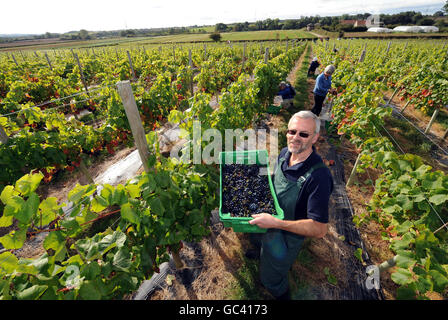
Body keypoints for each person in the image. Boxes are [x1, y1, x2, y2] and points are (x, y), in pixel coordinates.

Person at [248, 111, 334, 300]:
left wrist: (276, 224)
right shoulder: (285, 153)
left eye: (303, 134)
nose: (295, 137)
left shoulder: (318, 177)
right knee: (258, 239)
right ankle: (261, 252)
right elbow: (277, 179)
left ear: (315, 138)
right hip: (269, 217)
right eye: (292, 131)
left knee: (271, 276)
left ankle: (280, 292)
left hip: (287, 235)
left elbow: (319, 229)